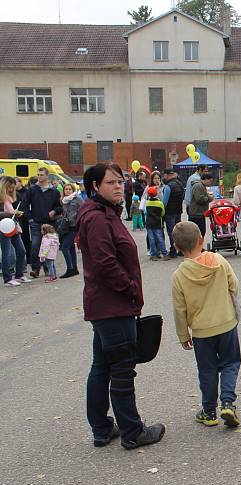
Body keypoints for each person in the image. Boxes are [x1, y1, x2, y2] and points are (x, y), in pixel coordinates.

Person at [78, 162, 165, 450]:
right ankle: (132, 431)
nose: (117, 187)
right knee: (122, 370)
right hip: (113, 307)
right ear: (95, 187)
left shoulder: (103, 214)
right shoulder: (99, 218)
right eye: (110, 183)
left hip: (106, 306)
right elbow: (105, 263)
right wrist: (129, 289)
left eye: (119, 182)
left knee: (102, 366)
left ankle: (102, 428)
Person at [171, 221, 241, 428]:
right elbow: (234, 285)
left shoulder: (179, 276)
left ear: (176, 247)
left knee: (207, 369)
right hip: (226, 323)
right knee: (230, 362)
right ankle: (228, 402)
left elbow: (179, 309)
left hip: (201, 331)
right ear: (201, 239)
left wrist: (183, 335)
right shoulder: (218, 260)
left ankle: (209, 411)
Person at [19, 167, 62, 278]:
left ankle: (47, 269)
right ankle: (35, 269)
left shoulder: (54, 191)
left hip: (49, 224)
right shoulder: (32, 190)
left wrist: (54, 211)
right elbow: (24, 205)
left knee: (48, 247)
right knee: (35, 246)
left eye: (42, 174)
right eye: (38, 174)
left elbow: (59, 207)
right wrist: (30, 219)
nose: (39, 176)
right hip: (36, 223)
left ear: (47, 176)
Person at [0, 175, 32, 287]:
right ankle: (7, 278)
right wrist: (11, 213)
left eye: (12, 187)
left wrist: (16, 214)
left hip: (13, 225)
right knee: (7, 253)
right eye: (9, 187)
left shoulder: (10, 197)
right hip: (3, 227)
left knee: (21, 251)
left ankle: (19, 275)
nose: (11, 190)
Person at [60, 182, 84, 278]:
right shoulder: (64, 200)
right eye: (66, 189)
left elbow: (83, 209)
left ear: (73, 190)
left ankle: (69, 269)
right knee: (70, 247)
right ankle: (74, 268)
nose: (68, 191)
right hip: (67, 226)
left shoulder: (77, 198)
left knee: (64, 247)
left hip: (75, 225)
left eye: (70, 189)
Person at [161, 168, 184, 258]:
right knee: (179, 231)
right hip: (178, 210)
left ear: (167, 175)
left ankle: (173, 250)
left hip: (170, 212)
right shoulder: (180, 184)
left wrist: (162, 210)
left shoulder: (168, 186)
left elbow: (164, 202)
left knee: (171, 232)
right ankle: (181, 250)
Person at [145, 186, 169, 261]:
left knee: (151, 239)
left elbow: (145, 212)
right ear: (156, 194)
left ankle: (153, 254)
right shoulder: (160, 203)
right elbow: (163, 213)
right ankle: (164, 253)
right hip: (158, 223)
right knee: (160, 238)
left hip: (149, 223)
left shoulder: (147, 203)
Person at [187, 173, 214, 238]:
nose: (210, 183)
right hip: (197, 213)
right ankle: (197, 247)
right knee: (199, 232)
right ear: (205, 179)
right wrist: (210, 198)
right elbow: (199, 199)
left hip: (199, 213)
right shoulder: (198, 186)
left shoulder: (201, 186)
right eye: (210, 181)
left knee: (201, 232)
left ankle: (199, 246)